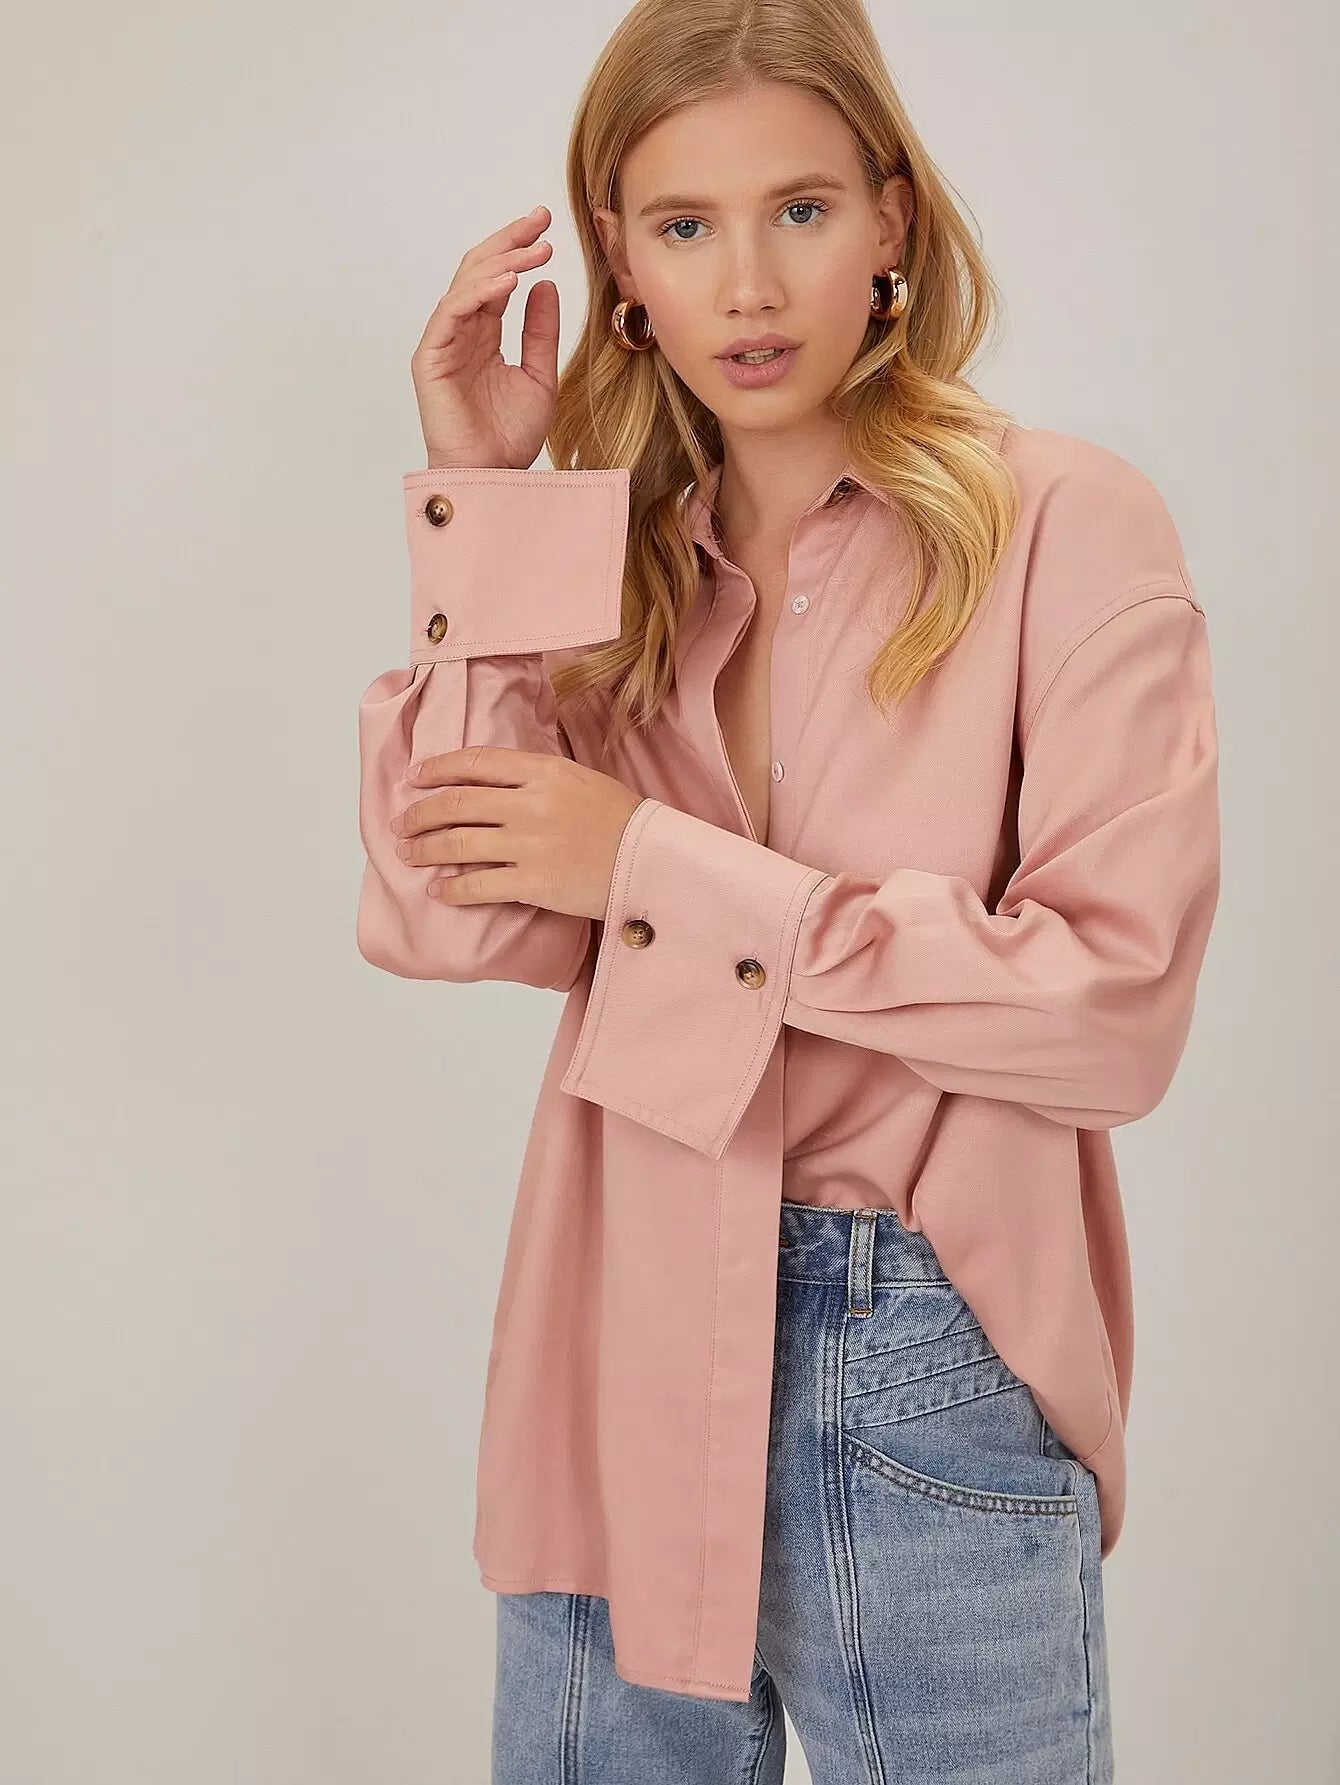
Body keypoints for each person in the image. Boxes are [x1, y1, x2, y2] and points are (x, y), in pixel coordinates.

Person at [355, 1, 1221, 1777]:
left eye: (801, 210)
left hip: (920, 1340)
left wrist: (651, 872)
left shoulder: (1065, 526)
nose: (746, 287)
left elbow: (1110, 1011)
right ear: (621, 261)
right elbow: (450, 911)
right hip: (613, 1326)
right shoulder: (605, 569)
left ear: (893, 217)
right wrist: (487, 492)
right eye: (685, 225)